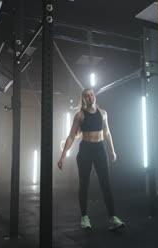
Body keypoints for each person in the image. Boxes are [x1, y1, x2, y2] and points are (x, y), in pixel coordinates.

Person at [58, 89, 125, 230]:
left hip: (100, 150)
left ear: (95, 97)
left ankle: (113, 218)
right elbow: (71, 136)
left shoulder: (103, 113)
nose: (90, 97)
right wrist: (63, 156)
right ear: (83, 99)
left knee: (106, 184)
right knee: (84, 184)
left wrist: (112, 150)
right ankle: (84, 218)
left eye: (92, 94)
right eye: (87, 96)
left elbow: (107, 133)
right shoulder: (80, 115)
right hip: (86, 150)